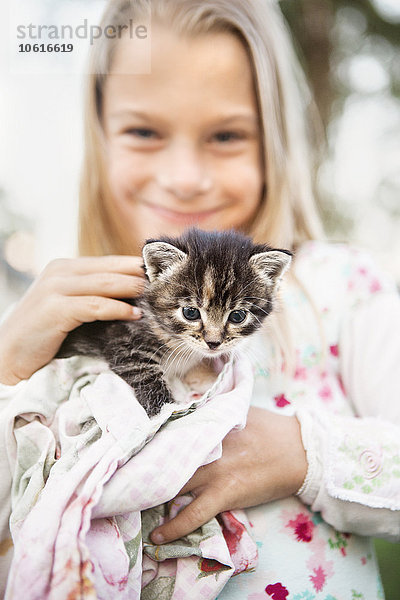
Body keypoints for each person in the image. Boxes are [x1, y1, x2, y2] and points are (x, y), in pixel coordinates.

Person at [1, 0, 399, 597]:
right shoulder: (64, 312)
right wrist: (7, 367)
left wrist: (303, 452)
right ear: (99, 135)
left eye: (225, 134)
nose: (185, 176)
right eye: (144, 131)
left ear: (276, 141)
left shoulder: (340, 288)